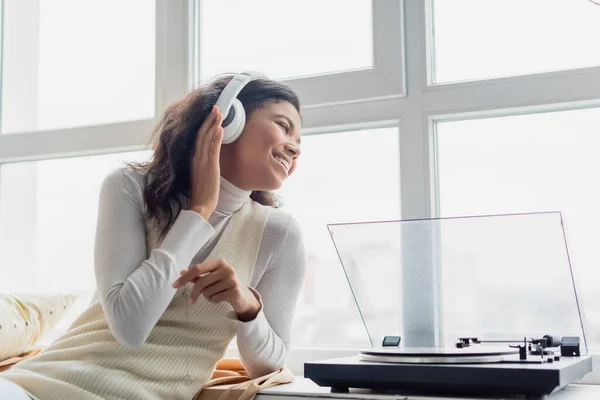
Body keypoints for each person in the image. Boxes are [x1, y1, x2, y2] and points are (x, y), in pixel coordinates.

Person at [0, 72, 306, 400]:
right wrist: (200, 210)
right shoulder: (129, 187)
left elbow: (270, 366)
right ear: (229, 118)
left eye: (300, 141)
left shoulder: (279, 234)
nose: (295, 149)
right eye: (283, 126)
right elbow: (129, 326)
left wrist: (247, 306)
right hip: (33, 387)